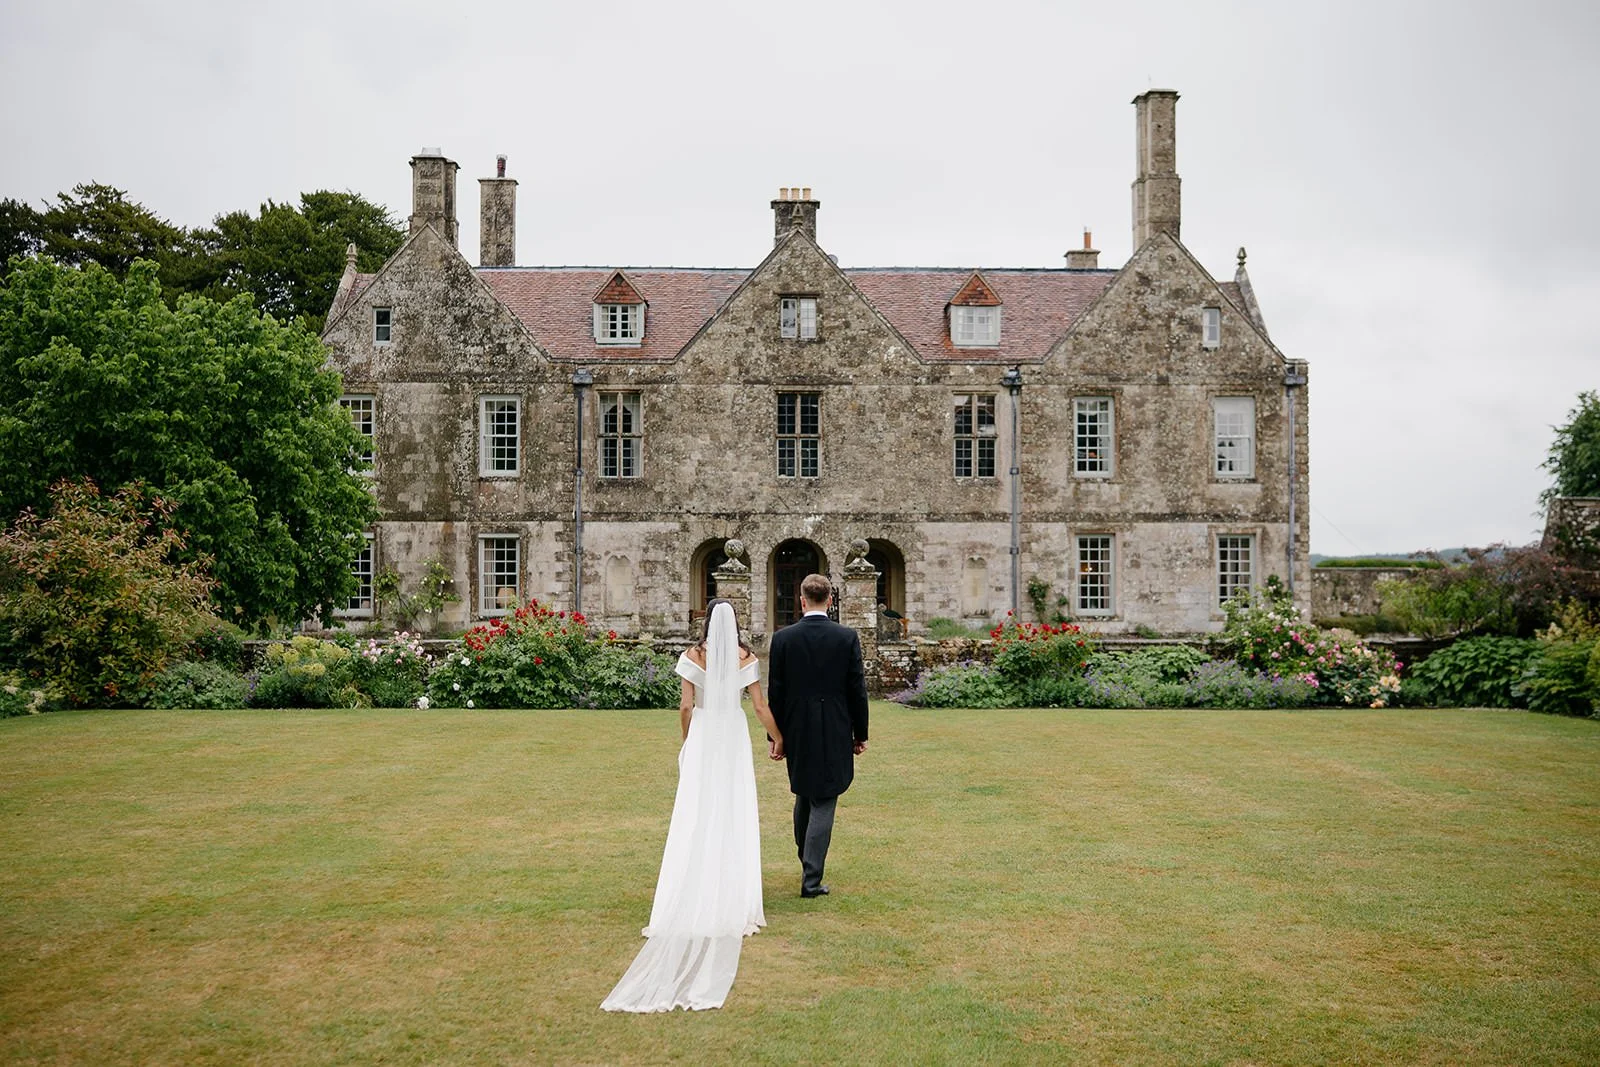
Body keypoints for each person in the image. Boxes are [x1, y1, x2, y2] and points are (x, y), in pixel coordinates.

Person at [601, 599, 783, 1013]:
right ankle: (733, 898)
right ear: (734, 624)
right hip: (732, 733)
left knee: (697, 809)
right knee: (732, 807)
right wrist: (778, 737)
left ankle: (688, 891)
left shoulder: (691, 657)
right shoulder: (746, 658)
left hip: (705, 731)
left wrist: (687, 738)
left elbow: (685, 705)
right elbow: (758, 706)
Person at [767, 573, 870, 898]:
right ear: (830, 600)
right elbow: (857, 690)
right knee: (823, 798)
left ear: (801, 600)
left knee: (806, 793)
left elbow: (776, 693)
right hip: (836, 726)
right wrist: (861, 732)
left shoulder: (783, 639)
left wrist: (775, 736)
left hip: (796, 727)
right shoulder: (845, 637)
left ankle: (806, 860)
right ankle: (811, 879)